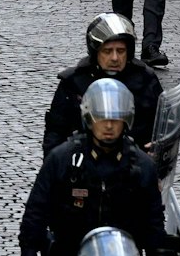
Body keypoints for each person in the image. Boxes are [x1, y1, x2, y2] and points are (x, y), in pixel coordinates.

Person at [19, 79, 163, 256]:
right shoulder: (62, 159)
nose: (109, 126)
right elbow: (36, 213)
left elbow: (154, 225)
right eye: (102, 119)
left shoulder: (142, 166)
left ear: (126, 120)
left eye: (115, 119)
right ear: (89, 118)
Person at [43, 14, 165, 157]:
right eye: (107, 51)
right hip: (82, 166)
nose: (115, 58)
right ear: (96, 52)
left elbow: (164, 126)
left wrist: (158, 149)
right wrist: (55, 167)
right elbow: (55, 132)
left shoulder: (145, 79)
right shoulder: (73, 82)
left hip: (134, 167)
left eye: (120, 51)